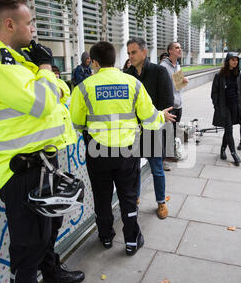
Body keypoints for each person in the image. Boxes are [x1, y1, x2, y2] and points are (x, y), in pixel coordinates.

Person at [0, 0, 84, 283]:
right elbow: (45, 101)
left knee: (47, 234)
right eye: (29, 23)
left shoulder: (18, 60)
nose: (33, 29)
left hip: (43, 163)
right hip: (21, 171)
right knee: (27, 251)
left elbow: (63, 92)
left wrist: (47, 79)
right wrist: (45, 70)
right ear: (9, 23)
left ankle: (52, 275)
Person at [69, 41, 175, 255]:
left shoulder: (84, 87)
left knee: (102, 196)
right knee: (128, 196)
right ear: (114, 59)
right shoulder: (132, 83)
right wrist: (160, 117)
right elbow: (149, 117)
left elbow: (76, 122)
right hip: (127, 151)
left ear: (95, 62)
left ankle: (106, 237)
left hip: (97, 152)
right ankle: (131, 241)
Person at [126, 37, 174, 219]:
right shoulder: (127, 74)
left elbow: (168, 103)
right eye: (128, 53)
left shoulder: (159, 71)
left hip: (153, 129)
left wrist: (152, 117)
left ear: (144, 52)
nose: (130, 56)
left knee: (157, 169)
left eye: (134, 52)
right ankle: (136, 198)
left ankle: (161, 202)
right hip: (133, 130)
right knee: (134, 168)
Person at [211, 52, 241, 166]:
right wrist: (217, 105)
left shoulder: (239, 75)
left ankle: (222, 149)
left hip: (235, 106)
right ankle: (234, 153)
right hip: (224, 107)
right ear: (228, 61)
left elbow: (240, 91)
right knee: (229, 130)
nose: (235, 62)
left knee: (228, 129)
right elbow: (214, 92)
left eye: (236, 60)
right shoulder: (219, 75)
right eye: (233, 59)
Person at [160, 42, 189, 162]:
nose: (180, 50)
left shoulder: (177, 65)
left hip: (178, 103)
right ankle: (165, 155)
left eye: (180, 48)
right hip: (169, 105)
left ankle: (170, 152)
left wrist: (183, 81)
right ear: (170, 51)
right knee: (167, 131)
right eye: (177, 48)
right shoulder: (163, 67)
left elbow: (177, 86)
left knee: (174, 130)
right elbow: (161, 87)